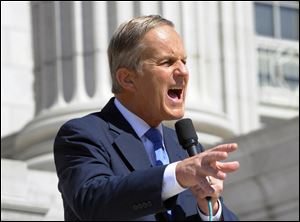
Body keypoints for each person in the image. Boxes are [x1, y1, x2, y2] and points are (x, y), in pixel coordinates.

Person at [54, 15, 240, 221]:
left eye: (184, 61)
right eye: (167, 62)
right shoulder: (84, 134)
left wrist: (210, 209)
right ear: (127, 79)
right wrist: (176, 175)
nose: (183, 72)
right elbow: (92, 201)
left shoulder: (184, 150)